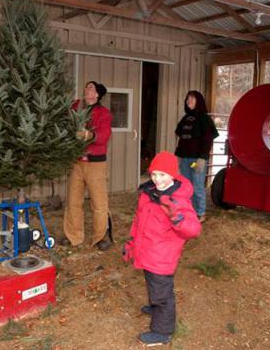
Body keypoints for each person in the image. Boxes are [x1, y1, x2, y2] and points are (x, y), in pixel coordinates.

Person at [123, 151, 201, 346]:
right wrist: (131, 243)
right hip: (147, 251)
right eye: (153, 174)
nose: (157, 179)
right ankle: (155, 307)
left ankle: (162, 332)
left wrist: (177, 216)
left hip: (162, 256)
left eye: (162, 175)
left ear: (173, 175)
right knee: (153, 284)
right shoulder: (150, 193)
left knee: (162, 294)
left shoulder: (178, 199)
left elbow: (193, 229)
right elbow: (138, 220)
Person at [62, 81, 113, 250]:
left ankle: (100, 237)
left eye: (90, 87)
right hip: (77, 162)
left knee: (99, 203)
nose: (87, 89)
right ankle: (73, 236)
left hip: (95, 164)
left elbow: (104, 135)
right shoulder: (77, 107)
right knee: (73, 200)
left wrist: (90, 134)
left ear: (97, 94)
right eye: (86, 87)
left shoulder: (103, 112)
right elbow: (63, 109)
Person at [174, 90, 219, 222]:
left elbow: (208, 140)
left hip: (196, 160)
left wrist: (202, 157)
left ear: (198, 101)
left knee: (197, 185)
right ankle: (188, 211)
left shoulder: (204, 119)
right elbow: (181, 140)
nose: (189, 101)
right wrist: (177, 156)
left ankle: (200, 213)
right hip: (185, 160)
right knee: (185, 186)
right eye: (188, 99)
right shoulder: (185, 119)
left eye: (192, 98)